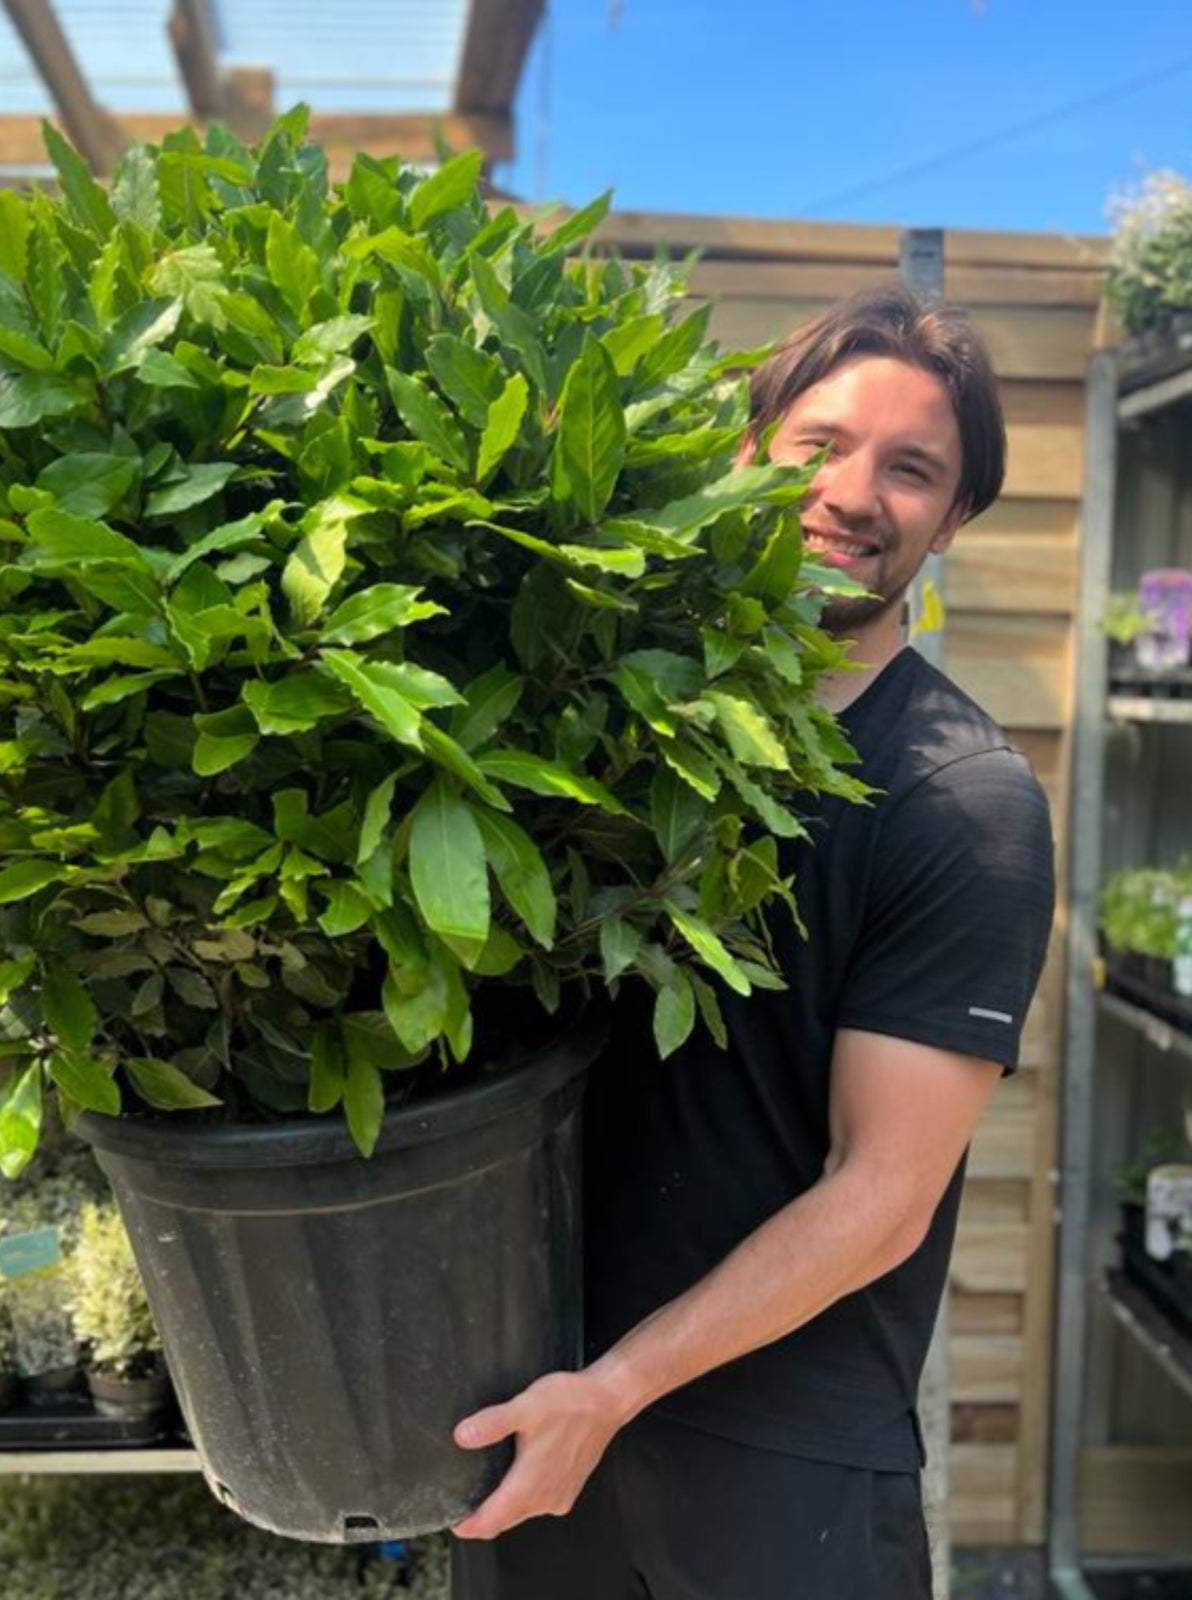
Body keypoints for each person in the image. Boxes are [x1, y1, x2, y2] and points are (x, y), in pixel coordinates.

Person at [447, 288, 1057, 1600]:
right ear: (746, 455)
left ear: (951, 522)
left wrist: (620, 1386)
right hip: (545, 1410)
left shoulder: (962, 802)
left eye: (911, 471)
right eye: (819, 447)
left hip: (778, 1469)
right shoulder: (604, 714)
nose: (853, 494)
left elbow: (880, 1195)